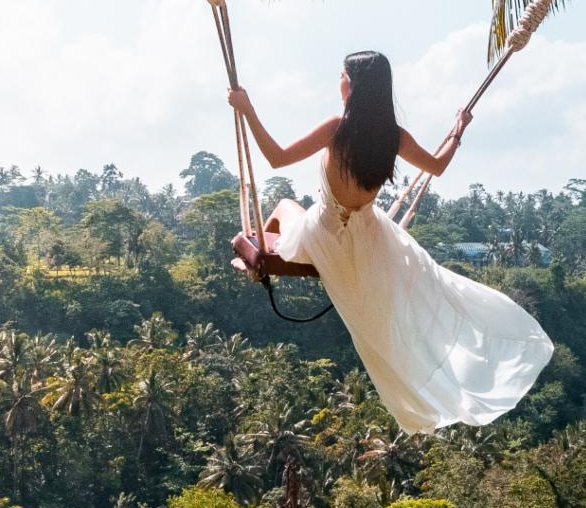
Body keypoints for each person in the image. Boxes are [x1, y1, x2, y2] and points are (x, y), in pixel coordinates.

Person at [227, 51, 552, 432]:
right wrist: (458, 130)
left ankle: (261, 262)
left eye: (342, 75)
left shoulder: (337, 128)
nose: (339, 81)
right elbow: (439, 166)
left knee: (284, 205)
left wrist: (247, 109)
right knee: (431, 291)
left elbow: (276, 158)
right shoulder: (393, 136)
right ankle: (262, 259)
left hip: (327, 234)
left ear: (352, 84)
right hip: (370, 239)